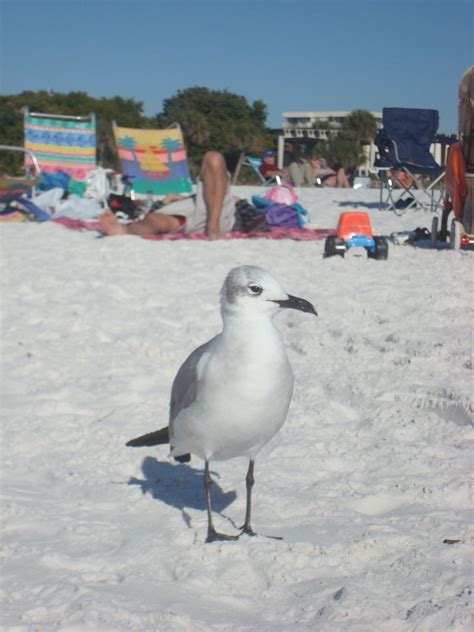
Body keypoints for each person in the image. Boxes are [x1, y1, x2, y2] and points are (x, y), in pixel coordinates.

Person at [99, 151, 236, 240]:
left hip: (216, 216)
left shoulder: (234, 203)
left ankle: (213, 227)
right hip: (203, 217)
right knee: (156, 220)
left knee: (213, 157)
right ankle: (123, 229)